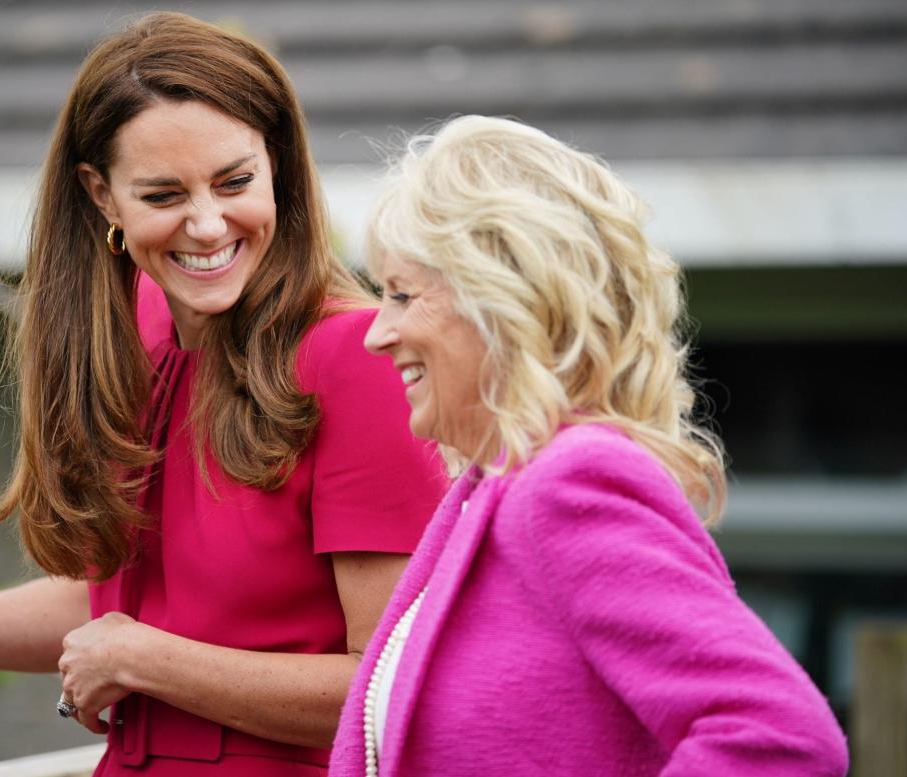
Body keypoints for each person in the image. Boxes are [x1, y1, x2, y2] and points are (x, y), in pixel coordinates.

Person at [0, 13, 447, 775]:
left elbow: (391, 683)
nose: (208, 224)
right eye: (164, 193)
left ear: (278, 165)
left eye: (235, 181)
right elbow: (109, 612)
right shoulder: (138, 330)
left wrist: (146, 659)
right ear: (101, 195)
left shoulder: (354, 354)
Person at [328, 116, 849, 776]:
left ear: (503, 298)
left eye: (402, 295)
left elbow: (779, 733)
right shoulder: (487, 493)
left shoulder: (571, 481)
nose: (378, 333)